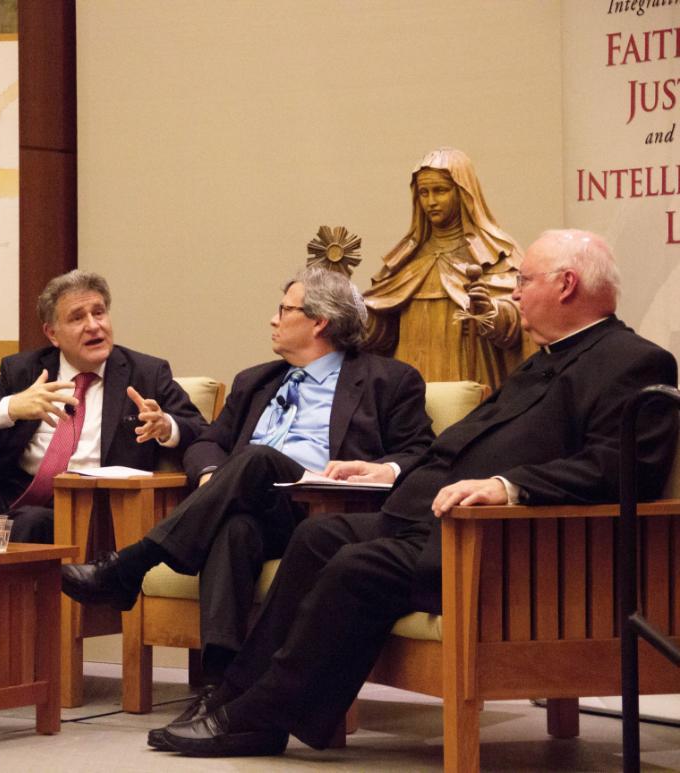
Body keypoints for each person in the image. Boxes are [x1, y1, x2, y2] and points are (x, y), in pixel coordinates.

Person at [152, 229, 678, 757]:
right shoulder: (542, 359)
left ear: (566, 285)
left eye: (523, 280)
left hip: (502, 548)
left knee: (357, 567)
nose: (514, 294)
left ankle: (258, 715)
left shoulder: (634, 363)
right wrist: (389, 474)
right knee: (316, 536)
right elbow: (464, 445)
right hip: (428, 517)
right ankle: (235, 698)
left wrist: (508, 488)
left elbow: (624, 467)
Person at [59, 267, 434, 704]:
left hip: (326, 514)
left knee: (253, 462)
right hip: (255, 505)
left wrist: (383, 470)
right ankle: (220, 688)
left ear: (319, 322)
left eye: (284, 310)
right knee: (235, 521)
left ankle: (130, 565)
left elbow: (423, 454)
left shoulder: (388, 380)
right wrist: (212, 476)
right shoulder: (255, 380)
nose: (273, 320)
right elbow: (208, 442)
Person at [0, 269, 208, 714]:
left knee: (28, 526)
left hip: (87, 517)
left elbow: (203, 431)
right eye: (78, 317)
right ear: (52, 332)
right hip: (7, 492)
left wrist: (167, 428)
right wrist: (10, 407)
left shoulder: (146, 372)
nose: (94, 326)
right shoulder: (23, 370)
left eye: (99, 312)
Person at [364, 147, 531, 391]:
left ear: (463, 191)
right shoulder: (406, 257)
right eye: (424, 192)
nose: (431, 201)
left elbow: (523, 318)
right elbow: (383, 333)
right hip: (410, 372)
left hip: (470, 372)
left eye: (440, 191)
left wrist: (491, 312)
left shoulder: (496, 251)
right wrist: (356, 314)